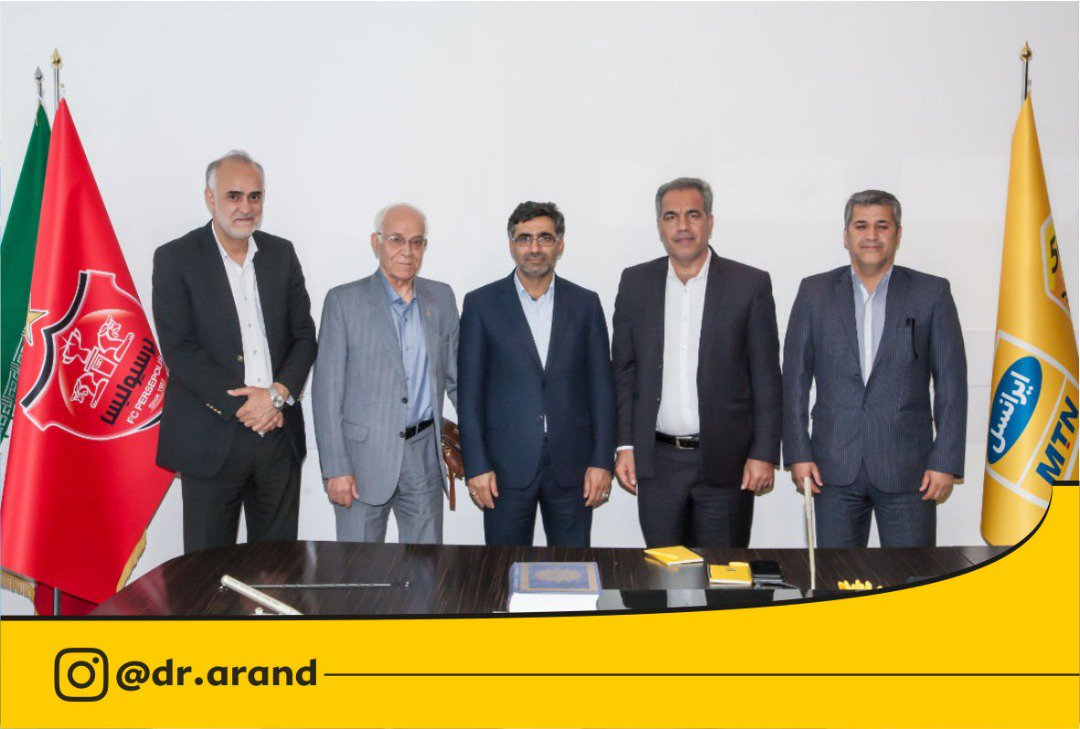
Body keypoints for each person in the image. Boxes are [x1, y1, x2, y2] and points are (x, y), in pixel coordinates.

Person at [153, 150, 317, 554]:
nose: (246, 206)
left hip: (277, 433)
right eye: (234, 196)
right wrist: (247, 405)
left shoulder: (281, 254)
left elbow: (304, 335)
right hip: (211, 437)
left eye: (255, 196)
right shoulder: (176, 258)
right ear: (210, 198)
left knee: (277, 568)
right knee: (206, 570)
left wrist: (275, 396)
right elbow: (179, 349)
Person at [782, 189, 967, 547]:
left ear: (898, 234)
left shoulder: (932, 293)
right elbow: (794, 381)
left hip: (910, 472)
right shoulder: (814, 292)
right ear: (846, 235)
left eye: (882, 226)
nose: (871, 235)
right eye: (861, 226)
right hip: (832, 468)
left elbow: (952, 385)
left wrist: (945, 460)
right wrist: (798, 453)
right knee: (837, 578)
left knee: (912, 577)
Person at [612, 177, 781, 548]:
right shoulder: (635, 283)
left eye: (693, 215)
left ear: (710, 221)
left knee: (724, 574)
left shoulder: (748, 285)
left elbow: (766, 377)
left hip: (727, 463)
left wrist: (764, 452)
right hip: (657, 464)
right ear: (660, 226)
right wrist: (624, 446)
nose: (682, 226)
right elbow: (624, 372)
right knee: (663, 573)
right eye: (671, 217)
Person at [457, 201, 615, 547]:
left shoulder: (585, 304)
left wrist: (602, 460)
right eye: (524, 238)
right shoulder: (481, 305)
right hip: (503, 468)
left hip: (573, 467)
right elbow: (469, 395)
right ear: (511, 244)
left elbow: (602, 389)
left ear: (560, 244)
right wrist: (476, 465)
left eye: (545, 238)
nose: (534, 248)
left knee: (572, 569)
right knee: (503, 569)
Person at [311, 204, 458, 544]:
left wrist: (484, 450)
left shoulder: (441, 298)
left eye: (417, 242)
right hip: (361, 463)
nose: (407, 251)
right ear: (376, 242)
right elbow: (326, 393)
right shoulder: (343, 302)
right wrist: (336, 468)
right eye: (396, 239)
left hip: (423, 457)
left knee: (426, 568)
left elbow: (458, 380)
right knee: (359, 568)